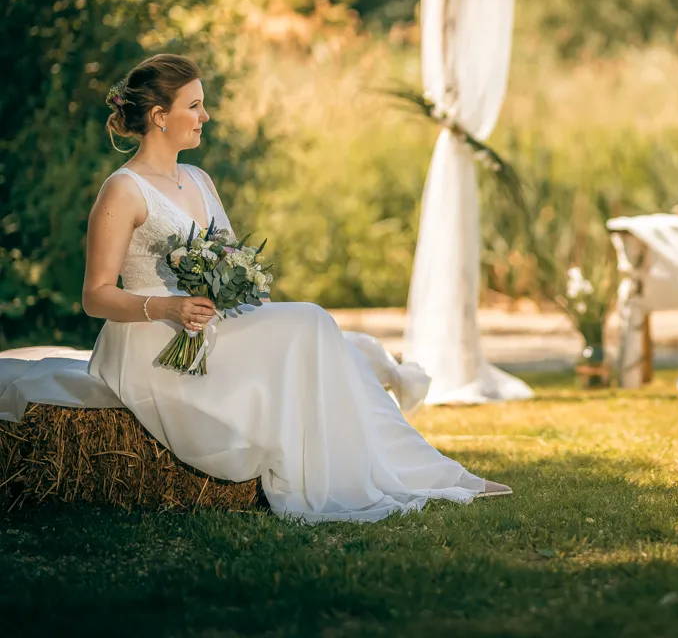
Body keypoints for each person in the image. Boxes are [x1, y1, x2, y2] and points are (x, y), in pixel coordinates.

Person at [82, 53, 510, 522]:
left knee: (326, 344)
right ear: (160, 116)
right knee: (310, 322)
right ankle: (381, 476)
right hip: (155, 347)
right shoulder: (123, 190)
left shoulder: (199, 180)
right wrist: (168, 308)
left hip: (212, 328)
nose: (206, 116)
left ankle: (425, 471)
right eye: (195, 105)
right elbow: (95, 295)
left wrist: (244, 288)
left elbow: (229, 258)